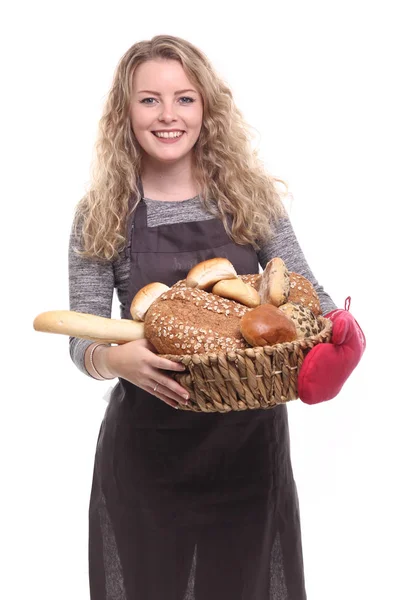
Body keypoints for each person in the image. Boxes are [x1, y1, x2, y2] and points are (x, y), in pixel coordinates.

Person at [69, 35, 365, 600]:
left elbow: (308, 297)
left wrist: (341, 336)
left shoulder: (248, 198)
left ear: (206, 107)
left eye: (184, 98)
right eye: (149, 100)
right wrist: (114, 359)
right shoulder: (100, 212)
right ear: (124, 111)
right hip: (146, 453)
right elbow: (82, 332)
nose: (168, 115)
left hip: (248, 449)